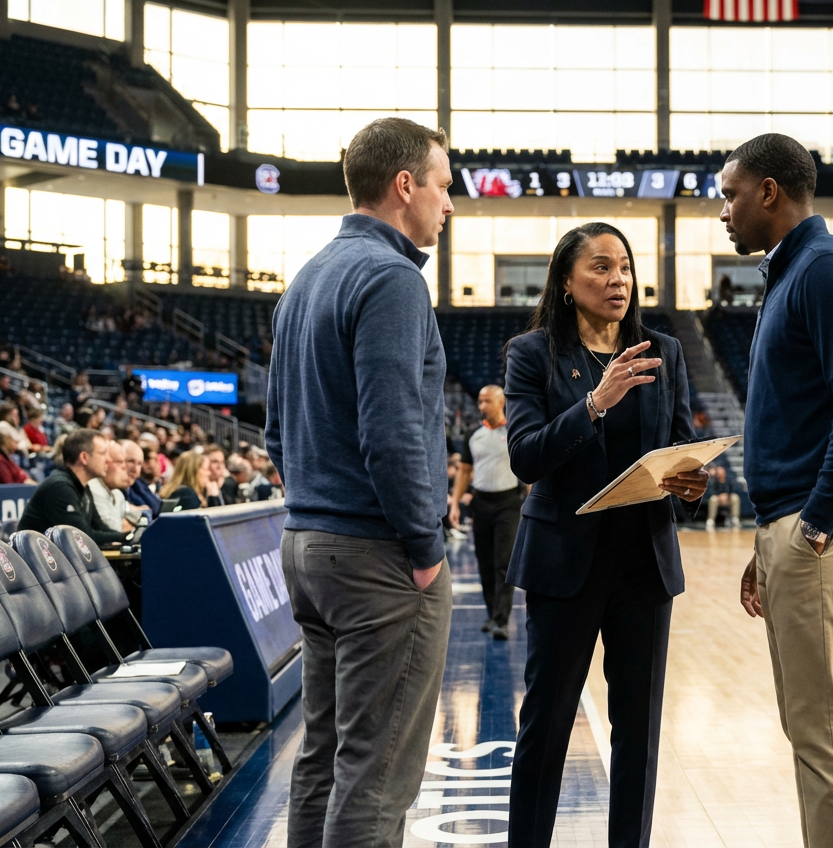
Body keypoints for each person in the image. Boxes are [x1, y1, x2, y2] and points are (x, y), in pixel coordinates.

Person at [265, 117, 455, 847]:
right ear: (403, 186)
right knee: (377, 775)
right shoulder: (392, 278)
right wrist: (424, 547)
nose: (447, 204)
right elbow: (394, 432)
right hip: (376, 556)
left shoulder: (308, 277)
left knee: (323, 757)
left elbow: (278, 431)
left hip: (307, 546)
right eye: (441, 186)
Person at [505, 222, 706, 848]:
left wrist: (692, 488)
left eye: (623, 267)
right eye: (600, 267)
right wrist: (594, 402)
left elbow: (678, 450)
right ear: (566, 282)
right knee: (547, 725)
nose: (617, 279)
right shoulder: (532, 352)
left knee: (638, 730)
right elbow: (526, 457)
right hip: (565, 563)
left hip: (644, 565)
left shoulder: (663, 350)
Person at [724, 133, 833, 848]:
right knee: (809, 728)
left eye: (731, 194)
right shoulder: (791, 272)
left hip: (824, 526)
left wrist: (813, 526)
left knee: (825, 734)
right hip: (794, 525)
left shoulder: (824, 269)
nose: (723, 210)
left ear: (769, 192)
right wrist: (772, 538)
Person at [448, 385, 522, 640]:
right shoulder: (474, 434)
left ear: (501, 402)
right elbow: (465, 472)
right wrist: (455, 503)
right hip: (481, 504)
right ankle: (492, 614)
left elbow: (527, 467)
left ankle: (502, 619)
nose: (481, 407)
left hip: (509, 504)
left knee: (503, 563)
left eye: (487, 401)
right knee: (485, 562)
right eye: (479, 402)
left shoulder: (514, 431)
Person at [17, 429, 131, 545]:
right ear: (84, 458)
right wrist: (127, 537)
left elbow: (99, 526)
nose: (108, 460)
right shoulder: (60, 488)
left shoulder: (82, 486)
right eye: (102, 454)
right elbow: (81, 537)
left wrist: (129, 536)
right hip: (35, 561)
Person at [88, 440, 142, 534]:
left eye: (125, 462)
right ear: (104, 463)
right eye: (120, 462)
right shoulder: (92, 488)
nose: (125, 467)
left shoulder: (118, 493)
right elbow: (113, 529)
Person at [122, 439, 162, 518]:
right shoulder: (135, 484)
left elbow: (155, 508)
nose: (135, 469)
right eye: (130, 461)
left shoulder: (136, 484)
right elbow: (153, 508)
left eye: (139, 463)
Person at [705, 464, 742, 530]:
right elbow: (712, 491)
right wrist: (719, 496)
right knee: (713, 499)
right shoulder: (714, 481)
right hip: (718, 499)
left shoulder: (728, 480)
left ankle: (735, 519)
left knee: (735, 497)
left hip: (728, 499)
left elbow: (733, 489)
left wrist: (727, 495)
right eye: (719, 472)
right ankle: (710, 520)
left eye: (722, 471)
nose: (721, 473)